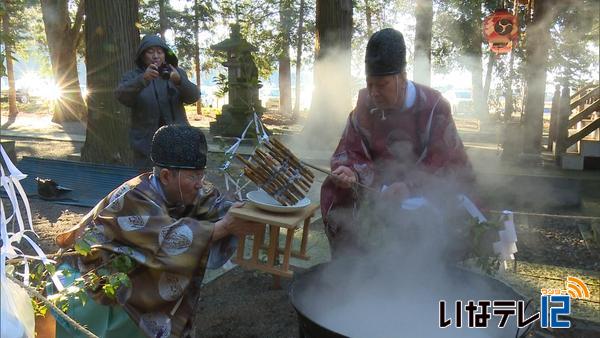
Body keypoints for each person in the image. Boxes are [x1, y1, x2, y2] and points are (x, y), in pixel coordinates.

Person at [55, 125, 263, 338]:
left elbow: (216, 203)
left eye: (202, 175)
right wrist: (225, 226)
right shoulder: (133, 197)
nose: (199, 184)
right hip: (101, 277)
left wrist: (254, 211)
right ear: (165, 176)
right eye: (193, 177)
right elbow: (169, 240)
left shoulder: (188, 187)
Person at [320, 28, 475, 256]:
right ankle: (351, 265)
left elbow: (447, 162)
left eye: (381, 85)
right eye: (369, 84)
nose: (373, 92)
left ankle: (433, 268)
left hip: (422, 190)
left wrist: (410, 187)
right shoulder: (365, 104)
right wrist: (350, 172)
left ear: (402, 79)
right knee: (335, 188)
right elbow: (350, 150)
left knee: (447, 202)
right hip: (376, 187)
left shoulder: (433, 106)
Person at [116, 35, 200, 169]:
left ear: (165, 54)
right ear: (142, 55)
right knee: (148, 184)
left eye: (159, 52)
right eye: (150, 52)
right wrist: (143, 79)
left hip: (177, 141)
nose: (156, 56)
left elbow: (194, 97)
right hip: (146, 143)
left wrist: (179, 81)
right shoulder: (132, 76)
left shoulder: (175, 73)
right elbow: (122, 96)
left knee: (176, 181)